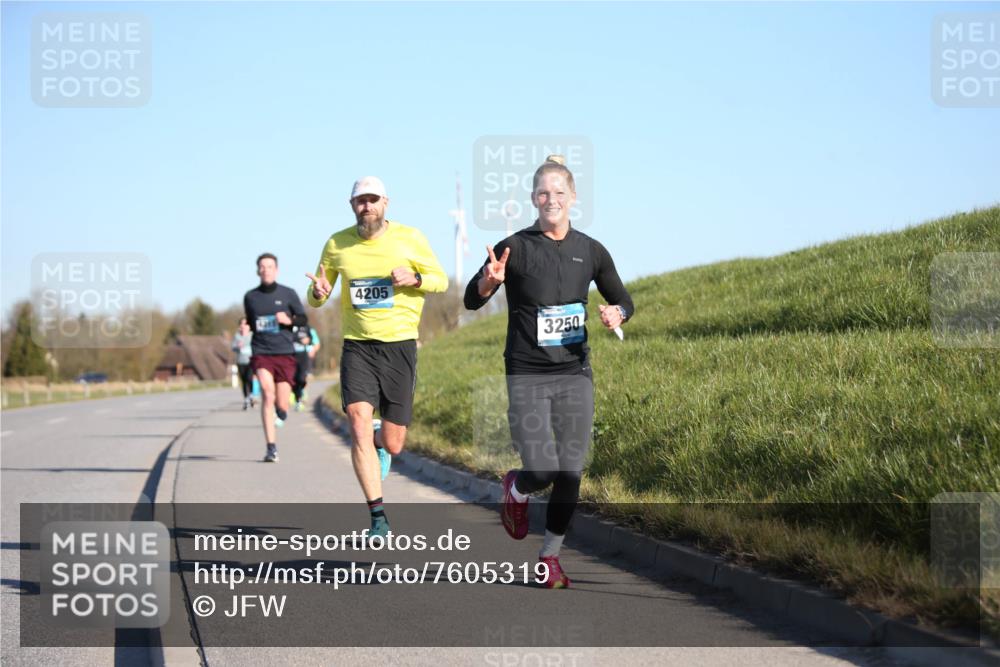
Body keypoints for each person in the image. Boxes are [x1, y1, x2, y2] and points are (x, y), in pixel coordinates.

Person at [464, 155, 634, 588]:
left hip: (575, 373)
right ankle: (518, 489)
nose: (551, 199)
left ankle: (549, 558)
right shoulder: (514, 247)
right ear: (533, 199)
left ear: (573, 197)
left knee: (571, 471)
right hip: (526, 373)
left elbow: (623, 300)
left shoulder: (592, 250)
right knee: (541, 469)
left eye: (560, 192)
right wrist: (490, 281)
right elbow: (471, 298)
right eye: (543, 192)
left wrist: (618, 313)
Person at [307, 175, 448, 538]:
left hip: (399, 346)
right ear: (351, 205)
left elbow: (440, 280)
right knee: (356, 419)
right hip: (358, 346)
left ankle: (381, 441)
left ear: (386, 202)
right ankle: (378, 517)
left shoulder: (410, 238)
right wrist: (319, 291)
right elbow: (318, 293)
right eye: (360, 200)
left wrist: (415, 279)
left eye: (373, 199)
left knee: (395, 442)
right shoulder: (337, 244)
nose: (366, 206)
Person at [244, 253, 309, 463]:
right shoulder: (250, 297)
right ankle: (271, 447)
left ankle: (281, 412)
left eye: (270, 266)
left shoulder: (288, 294)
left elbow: (303, 318)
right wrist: (246, 328)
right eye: (262, 267)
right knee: (267, 394)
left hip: (284, 352)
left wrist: (288, 320)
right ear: (257, 271)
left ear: (276, 270)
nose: (266, 270)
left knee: (282, 403)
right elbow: (252, 323)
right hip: (261, 352)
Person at [292, 325, 320, 411]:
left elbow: (317, 343)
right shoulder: (291, 328)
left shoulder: (309, 329)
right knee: (294, 377)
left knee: (304, 377)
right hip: (293, 356)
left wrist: (313, 351)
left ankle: (302, 393)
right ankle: (296, 394)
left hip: (306, 356)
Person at [232, 317, 255, 410]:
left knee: (249, 379)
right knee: (244, 380)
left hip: (251, 361)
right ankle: (246, 399)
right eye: (242, 324)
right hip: (240, 361)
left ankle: (251, 395)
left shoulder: (252, 335)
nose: (243, 326)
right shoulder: (237, 336)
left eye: (245, 324)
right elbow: (232, 347)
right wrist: (238, 346)